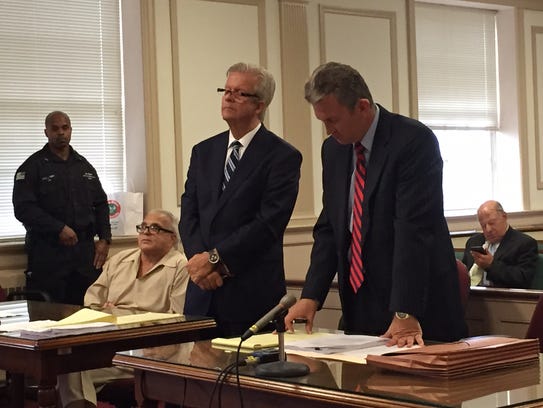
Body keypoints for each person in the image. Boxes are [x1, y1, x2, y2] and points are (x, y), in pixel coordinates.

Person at [284, 62, 467, 347]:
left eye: (333, 120)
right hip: (360, 305)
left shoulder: (413, 141)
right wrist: (311, 296)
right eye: (322, 122)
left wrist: (405, 310)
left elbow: (413, 228)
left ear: (362, 107)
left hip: (417, 309)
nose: (327, 130)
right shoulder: (333, 150)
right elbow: (330, 228)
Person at [180, 62, 302, 337]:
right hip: (202, 293)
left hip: (249, 293)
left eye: (239, 93)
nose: (228, 97)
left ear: (259, 105)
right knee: (193, 376)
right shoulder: (204, 151)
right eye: (225, 90)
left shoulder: (282, 156)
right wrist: (200, 264)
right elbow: (189, 213)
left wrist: (215, 260)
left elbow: (268, 223)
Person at [58, 209, 189, 408]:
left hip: (152, 350)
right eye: (143, 227)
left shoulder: (181, 266)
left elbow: (178, 319)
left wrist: (124, 313)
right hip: (110, 345)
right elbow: (92, 303)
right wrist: (105, 313)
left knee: (75, 367)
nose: (146, 232)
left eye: (155, 228)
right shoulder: (120, 260)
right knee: (68, 363)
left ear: (172, 238)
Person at [12, 111, 111, 305]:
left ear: (71, 131)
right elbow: (23, 208)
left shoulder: (84, 166)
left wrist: (105, 239)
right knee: (49, 317)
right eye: (55, 128)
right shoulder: (32, 167)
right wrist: (58, 228)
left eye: (65, 128)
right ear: (46, 132)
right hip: (49, 252)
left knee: (89, 313)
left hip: (84, 254)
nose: (60, 133)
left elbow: (100, 203)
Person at [462, 200, 538, 288]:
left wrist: (491, 265)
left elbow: (523, 279)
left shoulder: (524, 243)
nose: (488, 229)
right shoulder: (473, 242)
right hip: (471, 296)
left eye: (492, 223)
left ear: (504, 216)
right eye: (483, 225)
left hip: (504, 298)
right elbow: (464, 274)